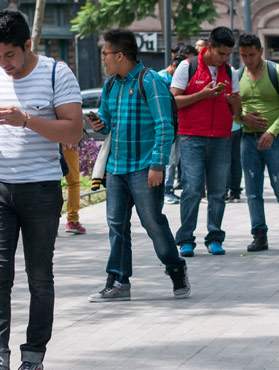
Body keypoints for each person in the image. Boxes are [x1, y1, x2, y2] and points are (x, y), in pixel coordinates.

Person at [0, 10, 83, 370]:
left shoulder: (56, 72)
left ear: (28, 45)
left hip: (41, 189)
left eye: (10, 55)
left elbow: (74, 131)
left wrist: (27, 120)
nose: (4, 63)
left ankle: (34, 355)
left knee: (39, 276)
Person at [86, 29, 190, 302]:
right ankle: (118, 281)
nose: (103, 58)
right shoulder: (111, 85)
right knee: (116, 225)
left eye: (105, 53)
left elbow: (164, 126)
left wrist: (158, 164)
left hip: (145, 168)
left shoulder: (151, 81)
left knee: (152, 223)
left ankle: (175, 268)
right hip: (117, 168)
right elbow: (108, 124)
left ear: (120, 55)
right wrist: (99, 123)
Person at [170, 26, 242, 257]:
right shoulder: (187, 66)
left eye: (228, 54)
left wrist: (233, 101)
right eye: (221, 53)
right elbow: (174, 100)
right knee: (191, 188)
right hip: (191, 136)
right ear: (209, 47)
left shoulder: (230, 72)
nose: (225, 58)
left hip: (222, 137)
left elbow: (238, 112)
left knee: (218, 191)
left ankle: (215, 237)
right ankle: (186, 239)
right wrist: (203, 94)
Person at [237, 32, 279, 252]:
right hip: (248, 140)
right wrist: (241, 118)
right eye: (244, 55)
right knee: (252, 190)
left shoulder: (278, 72)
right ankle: (259, 234)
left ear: (261, 51)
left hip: (274, 140)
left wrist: (273, 132)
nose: (248, 60)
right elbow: (232, 109)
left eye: (252, 55)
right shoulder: (238, 75)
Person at [158, 54, 189, 204]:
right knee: (169, 160)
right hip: (167, 125)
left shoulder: (171, 79)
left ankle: (168, 189)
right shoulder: (160, 79)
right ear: (175, 66)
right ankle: (165, 190)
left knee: (174, 159)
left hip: (176, 124)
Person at [63, 144, 86, 234]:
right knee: (73, 183)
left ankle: (50, 221)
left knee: (51, 181)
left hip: (47, 144)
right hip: (67, 142)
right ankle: (73, 220)